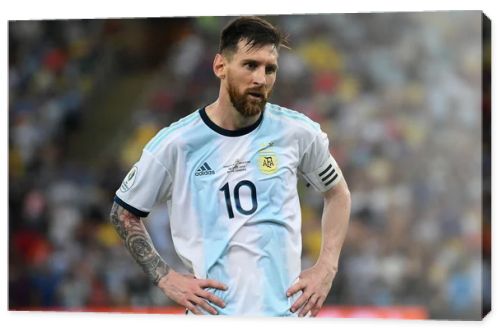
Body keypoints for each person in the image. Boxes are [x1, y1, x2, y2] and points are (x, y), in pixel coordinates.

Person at [110, 16, 351, 317]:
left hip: (286, 317)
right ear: (220, 66)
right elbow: (123, 212)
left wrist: (326, 267)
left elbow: (338, 193)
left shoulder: (297, 133)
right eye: (250, 65)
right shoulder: (176, 144)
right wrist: (166, 278)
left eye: (270, 69)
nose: (261, 79)